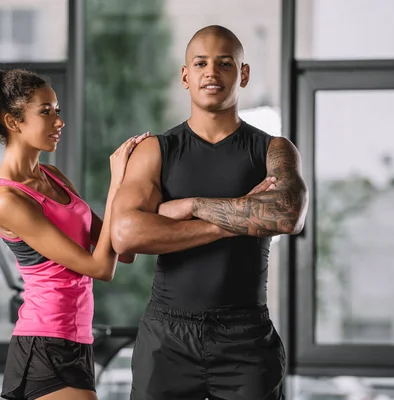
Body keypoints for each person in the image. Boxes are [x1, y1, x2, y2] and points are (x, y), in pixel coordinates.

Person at [110, 25, 309, 400]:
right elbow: (125, 236)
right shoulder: (156, 149)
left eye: (225, 63)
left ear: (243, 74)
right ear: (185, 75)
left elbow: (287, 214)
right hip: (167, 338)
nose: (211, 72)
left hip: (246, 337)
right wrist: (237, 220)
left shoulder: (273, 149)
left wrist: (191, 207)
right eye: (200, 63)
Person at [0, 68, 149, 400]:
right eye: (46, 112)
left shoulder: (53, 176)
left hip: (77, 340)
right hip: (44, 344)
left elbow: (122, 248)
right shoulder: (6, 199)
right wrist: (116, 183)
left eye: (57, 110)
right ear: (13, 122)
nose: (59, 121)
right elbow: (101, 268)